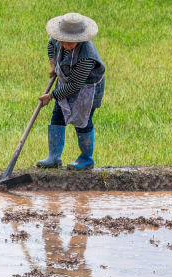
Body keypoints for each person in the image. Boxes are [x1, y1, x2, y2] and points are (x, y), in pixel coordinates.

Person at [36, 12, 106, 171]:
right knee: (57, 117)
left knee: (83, 122)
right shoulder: (57, 40)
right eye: (63, 41)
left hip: (86, 90)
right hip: (66, 82)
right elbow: (50, 45)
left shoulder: (87, 56)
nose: (66, 45)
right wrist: (53, 65)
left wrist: (52, 95)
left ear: (80, 39)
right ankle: (53, 157)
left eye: (70, 43)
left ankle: (86, 159)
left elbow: (76, 85)